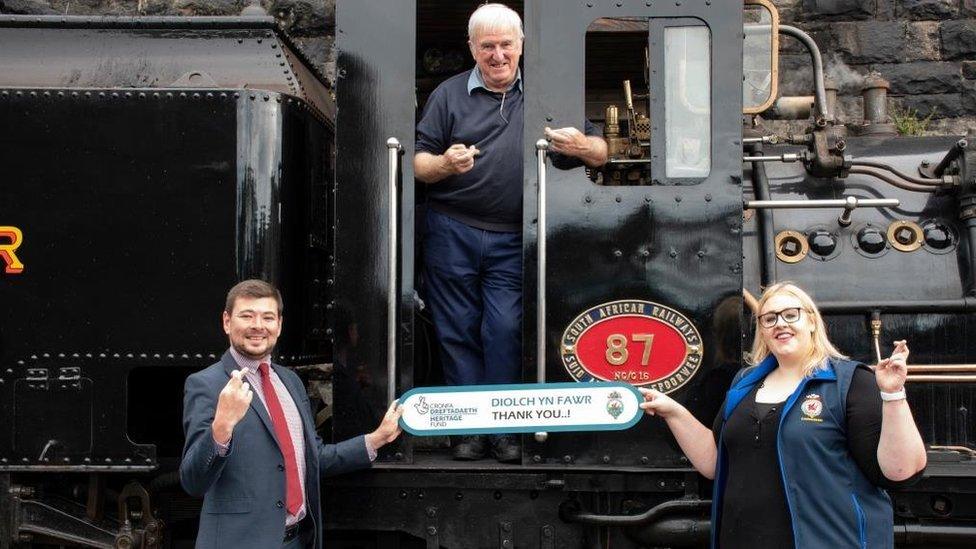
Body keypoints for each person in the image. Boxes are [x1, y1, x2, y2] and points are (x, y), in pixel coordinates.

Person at [414, 3, 607, 462]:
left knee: (503, 329)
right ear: (472, 49)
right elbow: (420, 165)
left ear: (521, 44)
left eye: (506, 45)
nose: (498, 55)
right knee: (456, 329)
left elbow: (601, 153)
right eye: (487, 47)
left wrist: (581, 146)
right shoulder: (446, 94)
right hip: (451, 229)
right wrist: (445, 164)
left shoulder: (546, 93)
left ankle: (502, 428)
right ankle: (469, 429)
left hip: (514, 235)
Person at [639, 282, 927, 549]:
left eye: (791, 314)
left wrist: (893, 394)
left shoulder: (849, 382)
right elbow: (716, 462)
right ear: (762, 330)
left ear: (812, 321)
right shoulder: (744, 383)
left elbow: (901, 472)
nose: (780, 324)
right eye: (770, 318)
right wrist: (673, 411)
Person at [180, 279, 403, 549]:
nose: (258, 326)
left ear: (279, 325)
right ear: (227, 322)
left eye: (267, 317)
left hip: (298, 540)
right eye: (247, 316)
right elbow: (193, 481)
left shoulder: (291, 382)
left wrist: (376, 439)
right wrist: (221, 427)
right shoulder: (206, 384)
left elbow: (312, 457)